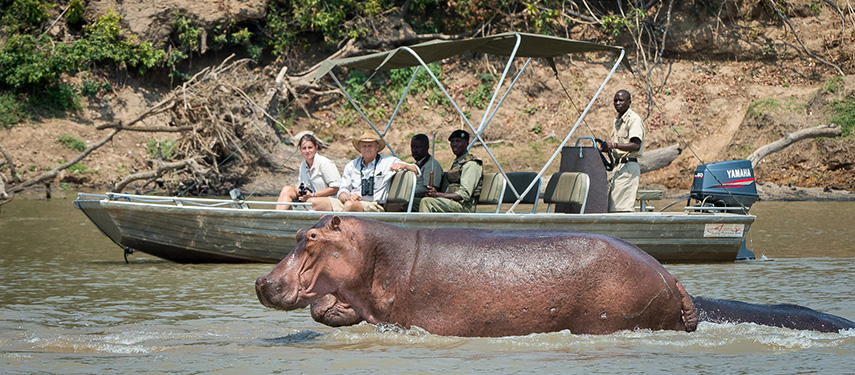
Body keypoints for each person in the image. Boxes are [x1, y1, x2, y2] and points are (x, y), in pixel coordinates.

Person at [334, 130, 420, 212]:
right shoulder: (351, 165)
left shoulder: (388, 161)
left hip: (375, 206)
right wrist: (347, 197)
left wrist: (403, 165)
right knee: (321, 203)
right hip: (350, 202)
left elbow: (416, 170)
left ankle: (338, 225)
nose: (367, 149)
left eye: (370, 146)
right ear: (359, 148)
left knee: (350, 205)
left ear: (377, 147)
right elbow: (342, 190)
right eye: (364, 146)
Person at [600, 89, 645, 212]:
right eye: (615, 100)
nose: (617, 103)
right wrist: (606, 148)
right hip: (617, 166)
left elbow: (636, 145)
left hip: (628, 167)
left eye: (621, 100)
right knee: (611, 205)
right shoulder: (617, 120)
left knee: (621, 207)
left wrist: (614, 145)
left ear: (629, 102)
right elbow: (618, 145)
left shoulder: (633, 119)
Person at [420, 129, 483, 213]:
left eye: (458, 141)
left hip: (464, 206)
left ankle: (425, 226)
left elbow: (464, 195)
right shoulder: (457, 163)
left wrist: (438, 195)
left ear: (466, 143)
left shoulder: (471, 164)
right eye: (452, 141)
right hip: (452, 203)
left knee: (427, 202)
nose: (454, 144)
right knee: (412, 202)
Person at [276, 133, 342, 210]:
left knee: (311, 202)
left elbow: (336, 188)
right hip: (309, 199)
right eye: (304, 148)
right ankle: (276, 217)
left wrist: (313, 195)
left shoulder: (325, 163)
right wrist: (299, 187)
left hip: (329, 200)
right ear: (300, 149)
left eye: (310, 148)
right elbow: (302, 184)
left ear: (316, 148)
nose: (307, 151)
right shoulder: (303, 165)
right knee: (287, 189)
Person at [410, 134, 443, 199]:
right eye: (412, 147)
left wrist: (408, 192)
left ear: (426, 147)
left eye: (417, 147)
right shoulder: (417, 164)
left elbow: (428, 191)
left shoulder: (432, 165)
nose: (414, 150)